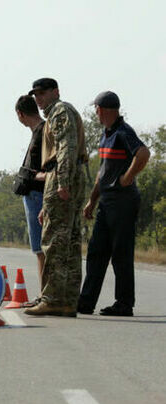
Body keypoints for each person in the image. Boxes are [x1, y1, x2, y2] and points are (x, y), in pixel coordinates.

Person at [77, 91, 150, 316]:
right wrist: (92, 200)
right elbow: (103, 171)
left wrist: (128, 178)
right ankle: (86, 302)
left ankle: (124, 304)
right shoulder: (106, 134)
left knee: (121, 254)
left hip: (123, 201)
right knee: (97, 252)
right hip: (106, 202)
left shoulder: (123, 132)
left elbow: (143, 153)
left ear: (104, 109)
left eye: (96, 109)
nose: (95, 113)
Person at [24, 78, 88, 317]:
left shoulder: (60, 111)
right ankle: (68, 300)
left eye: (42, 93)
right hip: (68, 175)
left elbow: (66, 148)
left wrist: (61, 182)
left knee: (53, 241)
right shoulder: (59, 113)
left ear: (55, 92)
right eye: (36, 95)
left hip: (60, 175)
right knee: (69, 242)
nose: (39, 99)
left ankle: (51, 299)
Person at [15, 95, 46, 306]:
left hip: (38, 195)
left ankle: (45, 296)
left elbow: (51, 168)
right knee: (40, 249)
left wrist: (33, 176)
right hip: (35, 194)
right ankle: (45, 295)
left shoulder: (43, 132)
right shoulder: (39, 131)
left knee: (40, 250)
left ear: (20, 114)